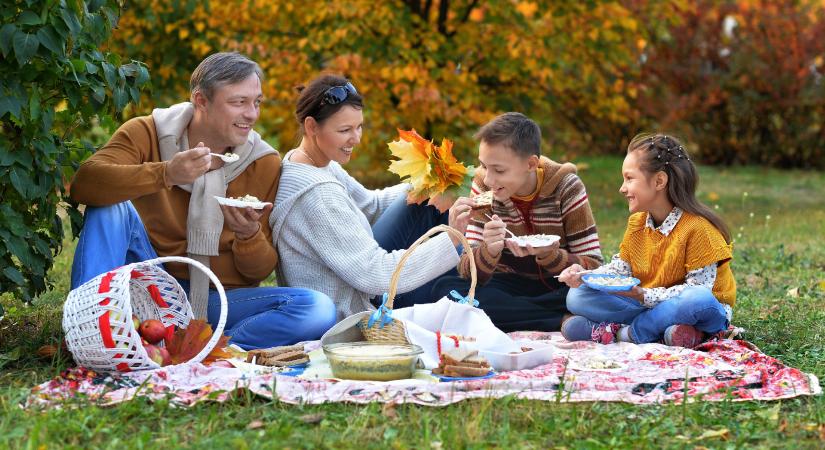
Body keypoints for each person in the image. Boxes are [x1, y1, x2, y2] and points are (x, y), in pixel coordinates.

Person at [70, 52, 336, 350]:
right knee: (111, 205)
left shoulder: (263, 163)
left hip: (216, 299)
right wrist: (167, 173)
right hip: (147, 286)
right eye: (238, 102)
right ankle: (89, 330)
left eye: (257, 102)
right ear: (201, 100)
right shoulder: (146, 133)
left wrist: (249, 236)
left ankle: (203, 352)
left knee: (317, 309)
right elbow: (85, 185)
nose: (252, 114)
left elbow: (258, 272)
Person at [270, 74, 475, 320]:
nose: (356, 139)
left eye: (359, 127)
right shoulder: (317, 195)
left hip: (364, 284)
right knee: (460, 281)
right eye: (345, 130)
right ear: (311, 126)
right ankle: (479, 275)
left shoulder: (314, 163)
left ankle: (479, 266)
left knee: (432, 199)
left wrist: (426, 183)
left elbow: (372, 205)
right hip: (356, 308)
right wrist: (450, 238)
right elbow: (375, 275)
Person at [431, 113, 604, 332]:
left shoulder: (566, 188)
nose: (488, 179)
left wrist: (551, 256)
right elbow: (468, 271)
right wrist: (489, 251)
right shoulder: (484, 188)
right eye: (484, 166)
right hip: (508, 285)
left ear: (531, 164)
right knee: (446, 289)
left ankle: (528, 315)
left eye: (499, 170)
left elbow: (594, 266)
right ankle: (563, 321)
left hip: (559, 287)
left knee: (587, 296)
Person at [559, 133, 735, 348]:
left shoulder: (699, 230)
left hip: (702, 310)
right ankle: (673, 333)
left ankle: (626, 334)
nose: (622, 188)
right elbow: (620, 269)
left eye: (629, 178)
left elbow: (699, 291)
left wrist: (643, 295)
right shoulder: (637, 223)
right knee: (577, 295)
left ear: (659, 181)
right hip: (652, 304)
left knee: (696, 299)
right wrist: (585, 276)